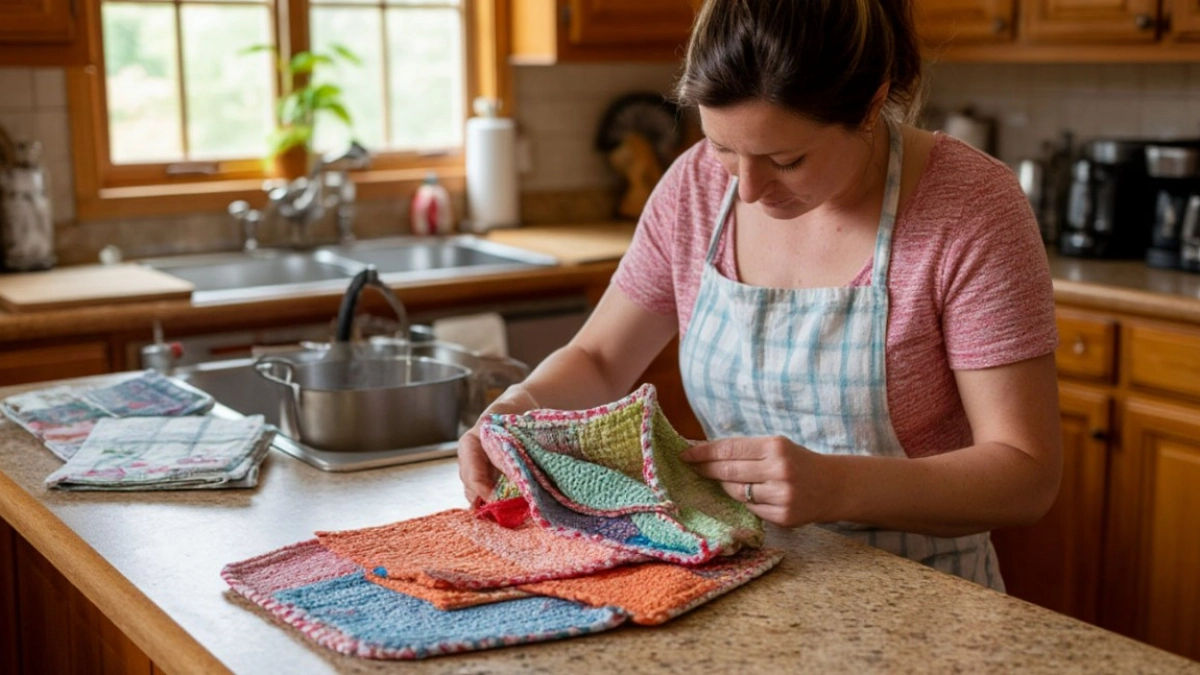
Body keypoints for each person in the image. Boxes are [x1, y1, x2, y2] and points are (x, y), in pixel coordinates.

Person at [458, 0, 1061, 591]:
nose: (746, 190)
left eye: (786, 160)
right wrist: (518, 405)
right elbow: (600, 358)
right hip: (739, 585)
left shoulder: (971, 207)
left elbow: (1025, 474)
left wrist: (839, 487)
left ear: (871, 103)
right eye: (723, 147)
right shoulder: (693, 188)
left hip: (928, 600)